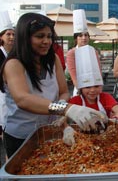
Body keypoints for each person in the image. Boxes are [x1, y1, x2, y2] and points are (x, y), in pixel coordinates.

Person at [0, 13, 107, 158]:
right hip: (21, 135)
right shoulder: (13, 64)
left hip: (50, 130)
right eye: (40, 36)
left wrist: (62, 104)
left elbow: (63, 91)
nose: (46, 41)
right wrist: (66, 108)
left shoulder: (53, 59)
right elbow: (23, 99)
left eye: (49, 36)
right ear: (24, 38)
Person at [66, 9, 101, 96]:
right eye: (80, 35)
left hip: (95, 90)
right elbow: (73, 75)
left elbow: (98, 71)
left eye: (86, 35)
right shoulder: (72, 53)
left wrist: (99, 88)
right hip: (80, 91)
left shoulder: (93, 51)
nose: (84, 38)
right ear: (76, 38)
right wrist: (81, 91)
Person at [0, 11, 14, 134]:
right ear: (1, 37)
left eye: (13, 34)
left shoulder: (15, 54)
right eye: (8, 34)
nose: (11, 37)